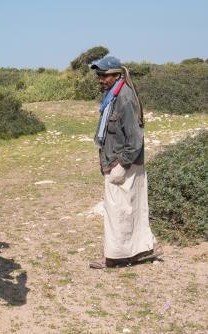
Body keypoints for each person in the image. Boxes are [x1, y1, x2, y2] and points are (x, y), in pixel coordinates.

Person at [88, 56, 163, 269]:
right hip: (118, 162)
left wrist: (122, 163)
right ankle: (141, 250)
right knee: (124, 210)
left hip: (124, 164)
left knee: (119, 211)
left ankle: (116, 257)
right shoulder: (112, 96)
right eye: (98, 75)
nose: (100, 79)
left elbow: (135, 138)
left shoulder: (124, 98)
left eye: (104, 75)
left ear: (117, 75)